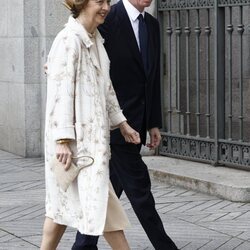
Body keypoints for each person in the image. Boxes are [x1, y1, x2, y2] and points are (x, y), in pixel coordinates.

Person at [72, 0, 179, 249]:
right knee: (140, 191)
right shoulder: (107, 18)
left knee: (107, 194)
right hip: (113, 125)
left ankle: (83, 245)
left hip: (136, 125)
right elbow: (86, 60)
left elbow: (150, 78)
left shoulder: (151, 24)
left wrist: (153, 122)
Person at [40, 0, 141, 249]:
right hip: (75, 150)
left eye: (108, 1)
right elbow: (60, 94)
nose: (106, 7)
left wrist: (122, 123)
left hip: (91, 148)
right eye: (99, 1)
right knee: (60, 212)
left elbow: (106, 88)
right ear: (81, 4)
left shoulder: (95, 40)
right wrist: (62, 140)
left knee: (71, 211)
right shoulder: (68, 40)